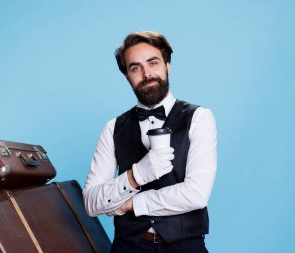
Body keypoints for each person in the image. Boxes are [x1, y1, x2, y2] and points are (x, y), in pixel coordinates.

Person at [83, 31, 217, 253]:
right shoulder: (113, 128)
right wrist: (136, 176)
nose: (146, 74)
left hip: (186, 246)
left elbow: (196, 194)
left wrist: (133, 203)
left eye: (153, 63)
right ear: (127, 76)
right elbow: (91, 202)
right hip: (127, 246)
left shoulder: (200, 117)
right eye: (135, 68)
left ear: (167, 65)